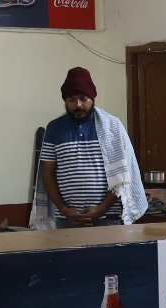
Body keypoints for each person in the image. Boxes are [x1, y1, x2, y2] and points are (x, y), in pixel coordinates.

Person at [30, 67, 145, 230]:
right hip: (67, 219)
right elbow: (47, 173)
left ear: (92, 98)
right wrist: (64, 210)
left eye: (83, 99)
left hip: (107, 217)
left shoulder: (113, 127)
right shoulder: (54, 128)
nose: (78, 105)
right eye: (71, 100)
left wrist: (101, 209)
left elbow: (123, 173)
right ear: (65, 101)